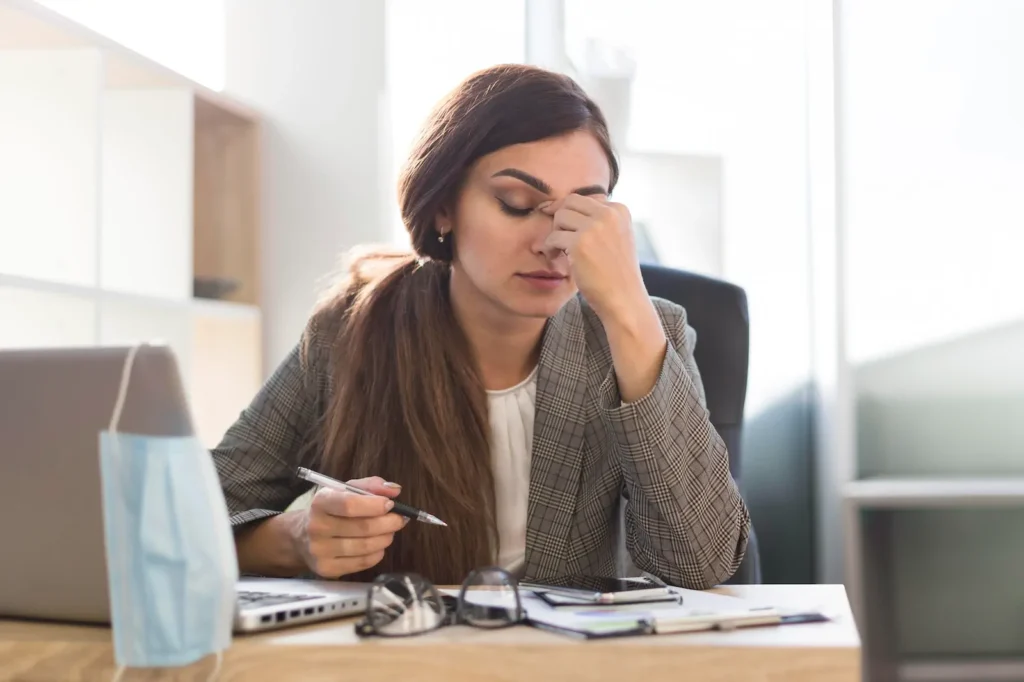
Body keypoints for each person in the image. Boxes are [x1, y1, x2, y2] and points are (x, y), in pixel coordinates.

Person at [212, 63, 750, 590]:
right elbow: (195, 513)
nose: (554, 243)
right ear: (444, 207)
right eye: (518, 205)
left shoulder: (642, 331)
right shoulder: (353, 328)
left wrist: (631, 312)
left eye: (584, 213)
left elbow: (700, 561)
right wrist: (294, 538)